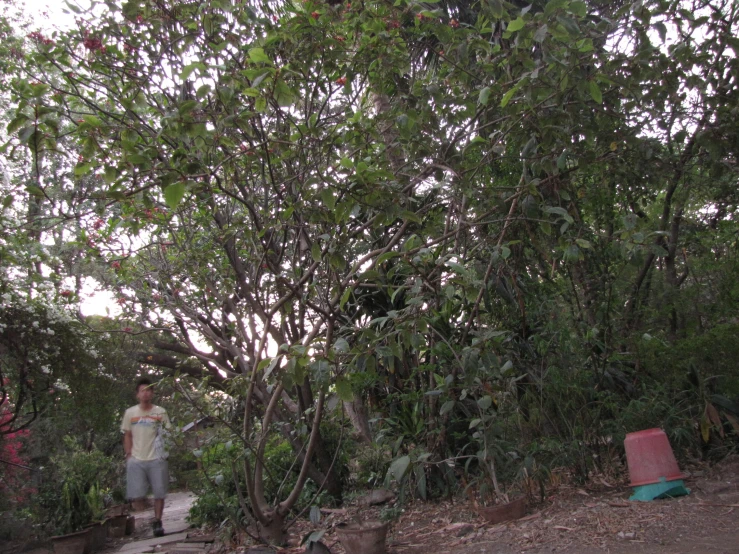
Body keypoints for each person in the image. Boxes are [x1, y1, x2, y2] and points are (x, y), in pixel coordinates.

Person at [121, 377, 171, 537]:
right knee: (136, 496)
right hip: (136, 458)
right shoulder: (130, 413)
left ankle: (157, 521)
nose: (146, 393)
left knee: (159, 492)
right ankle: (144, 520)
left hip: (156, 458)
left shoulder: (160, 412)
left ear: (153, 393)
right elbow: (127, 435)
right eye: (142, 390)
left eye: (149, 390)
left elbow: (168, 433)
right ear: (137, 394)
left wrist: (166, 451)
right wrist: (128, 454)